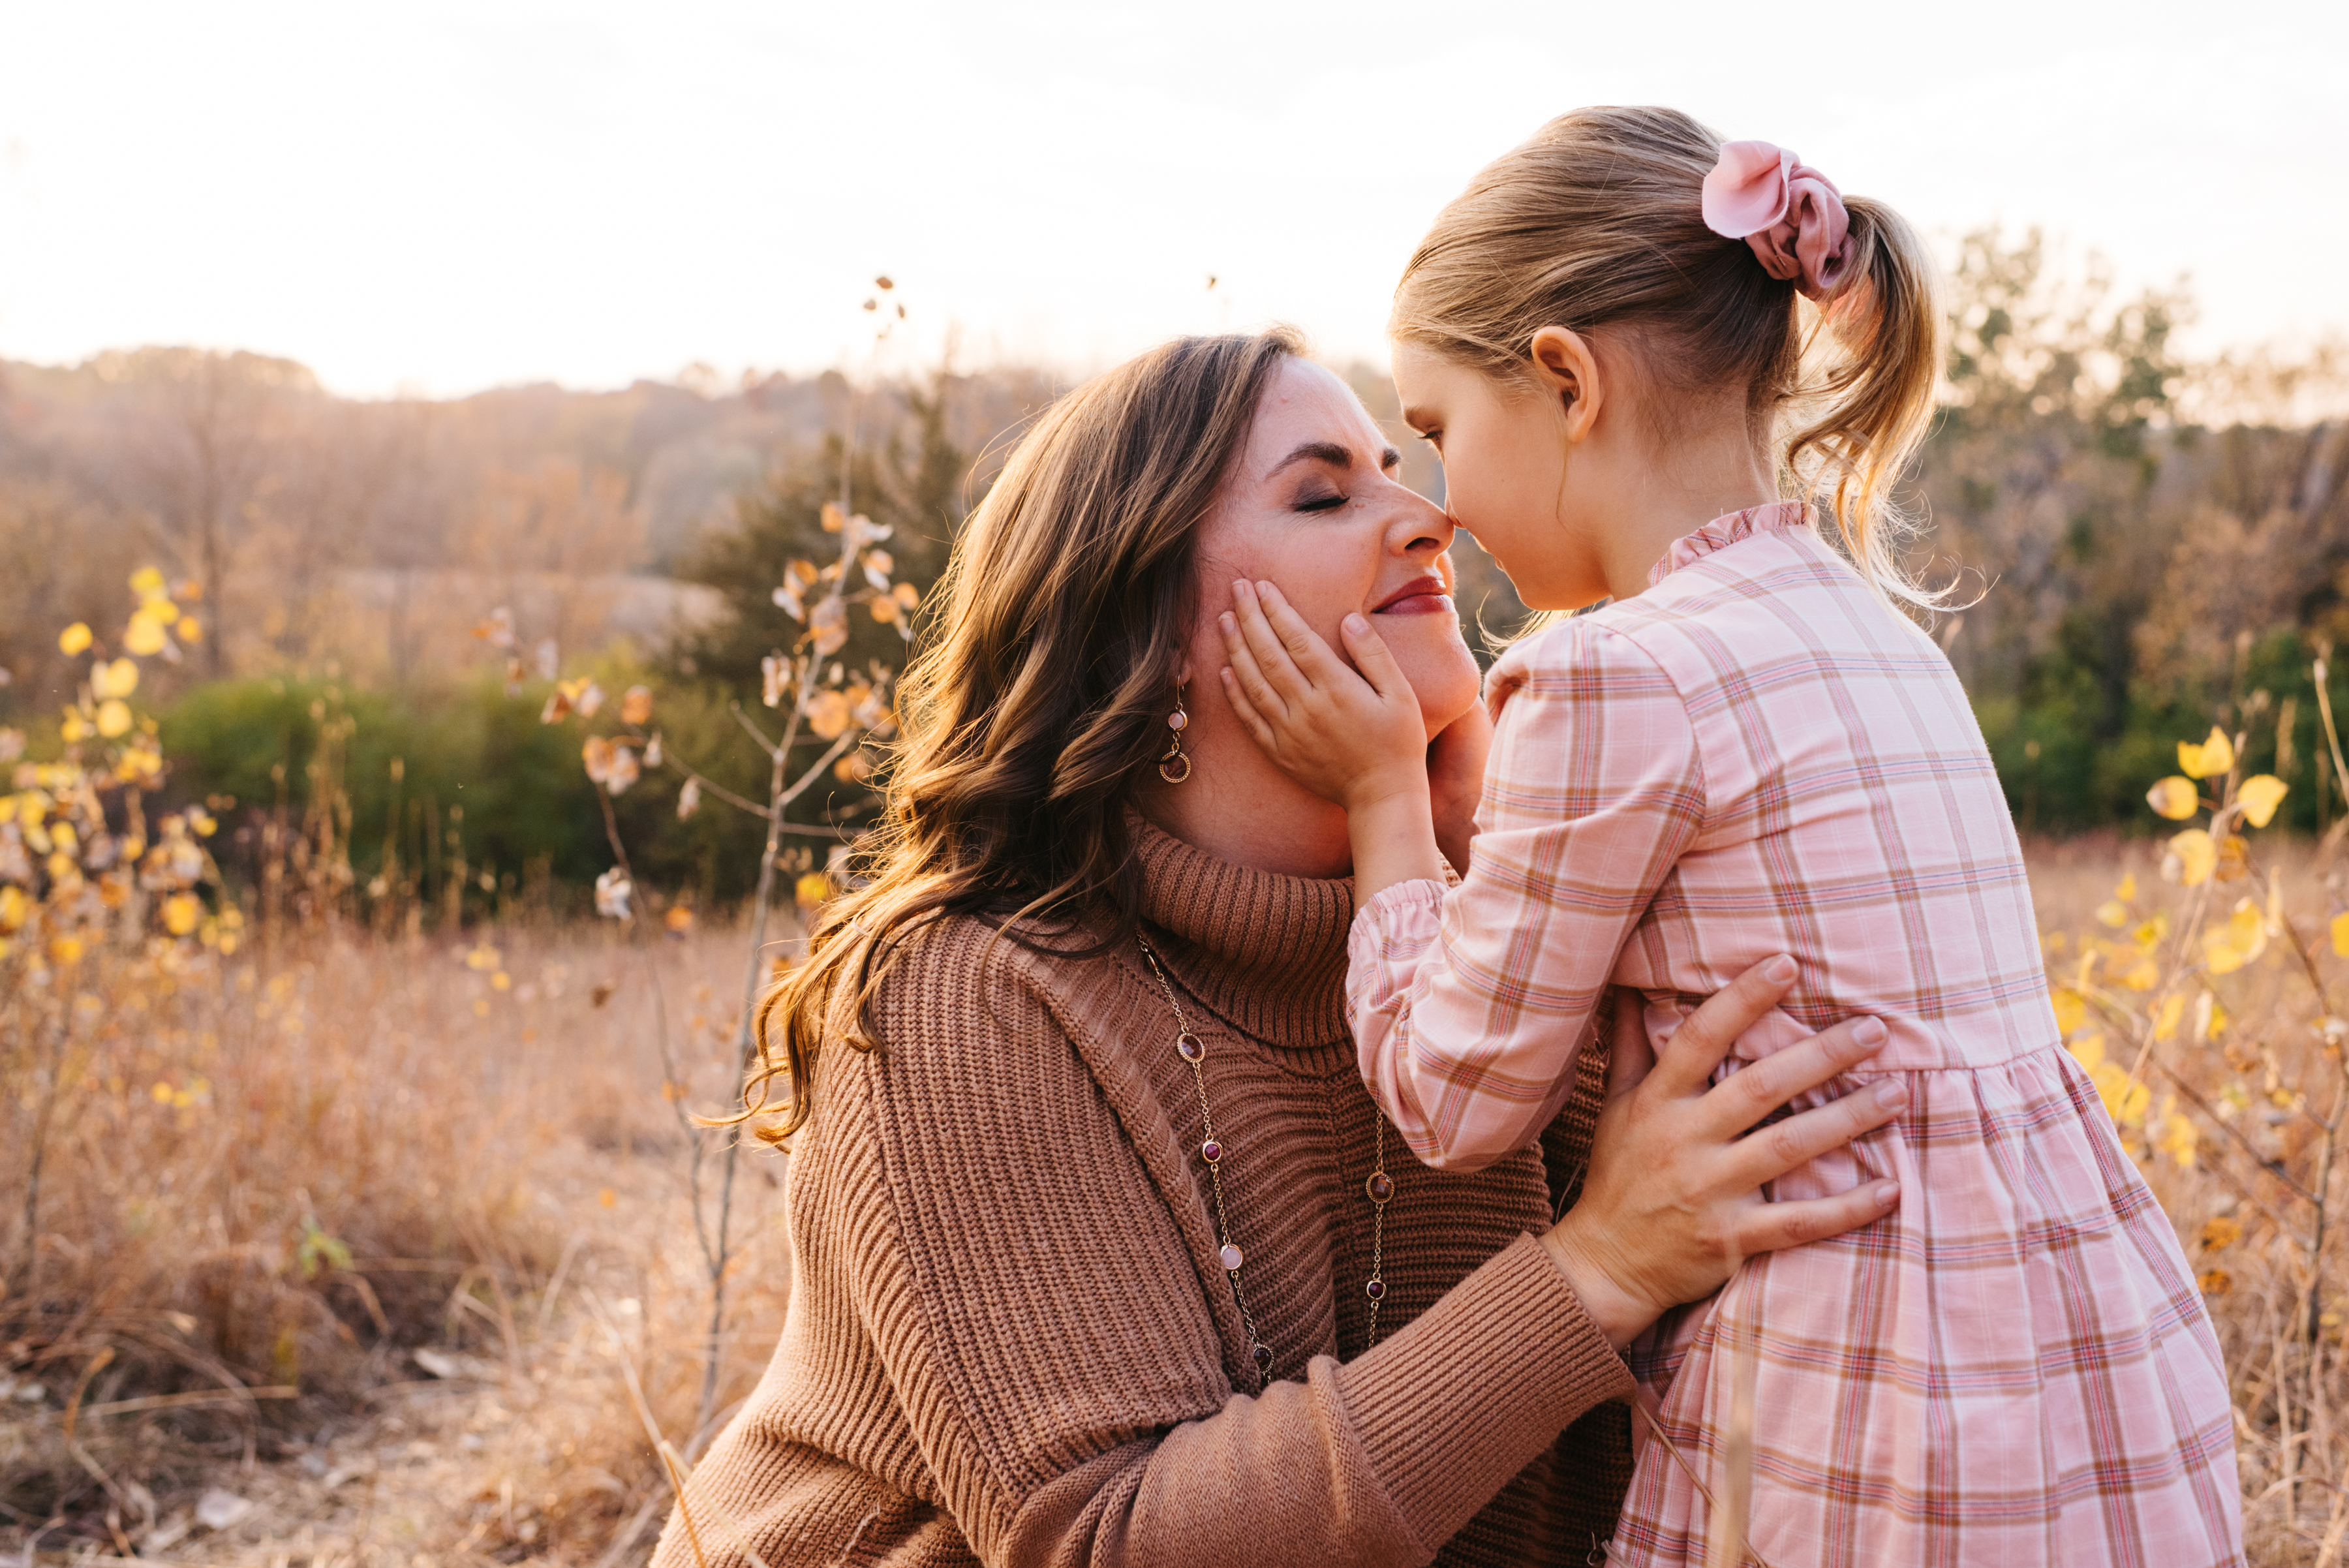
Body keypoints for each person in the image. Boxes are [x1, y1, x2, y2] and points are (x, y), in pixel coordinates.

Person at [655, 328, 1907, 1567]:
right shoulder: (971, 995)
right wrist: (1598, 1270)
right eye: (1323, 493)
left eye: (1395, 465)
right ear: (1142, 631)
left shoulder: (1510, 933)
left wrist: (1491, 856)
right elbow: (1106, 1544)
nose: (1429, 517)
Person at [1216, 108, 2243, 1565]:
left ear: (1564, 380)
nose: (1442, 507)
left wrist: (1390, 809)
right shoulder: (1876, 636)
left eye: (1441, 433)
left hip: (1859, 1382)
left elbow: (1454, 1090)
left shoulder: (1606, 674)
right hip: (2074, 1347)